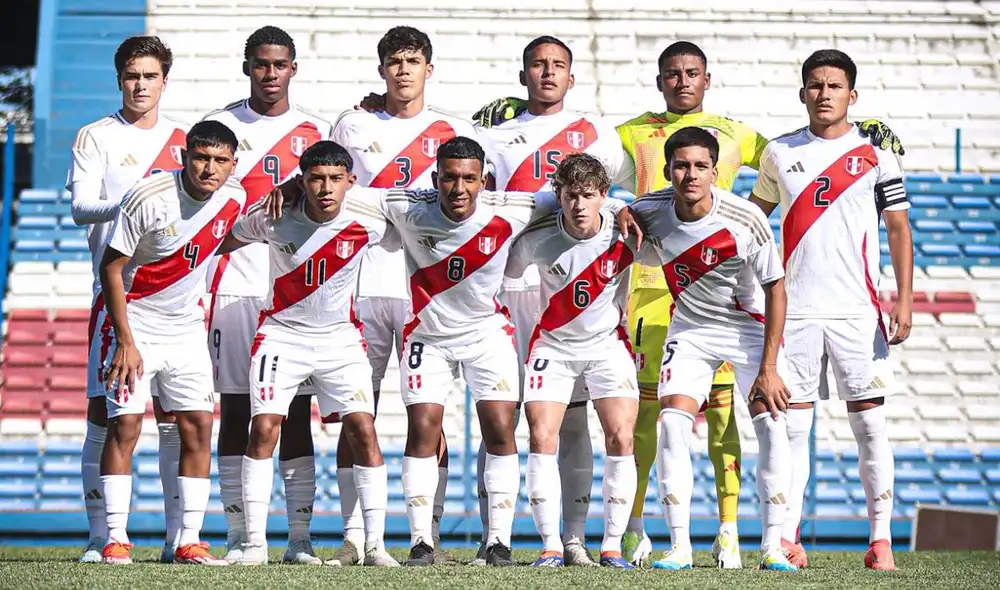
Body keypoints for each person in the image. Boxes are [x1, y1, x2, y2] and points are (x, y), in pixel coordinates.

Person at [472, 40, 905, 568]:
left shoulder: (746, 171)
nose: (691, 173)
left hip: (745, 319)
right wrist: (510, 120)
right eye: (681, 165)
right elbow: (586, 178)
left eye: (692, 73)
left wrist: (867, 135)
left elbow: (798, 164)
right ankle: (652, 536)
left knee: (744, 422)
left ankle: (751, 536)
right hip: (662, 306)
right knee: (655, 421)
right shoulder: (632, 148)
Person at [749, 49, 912, 571]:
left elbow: (898, 228)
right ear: (803, 93)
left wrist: (902, 300)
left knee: (870, 427)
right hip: (793, 313)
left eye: (834, 86)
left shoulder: (876, 154)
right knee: (790, 431)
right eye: (815, 85)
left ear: (852, 96)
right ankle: (788, 539)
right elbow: (754, 222)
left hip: (856, 312)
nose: (824, 94)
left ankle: (880, 541)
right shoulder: (777, 152)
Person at [473, 36, 628, 566]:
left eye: (557, 65)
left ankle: (576, 537)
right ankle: (496, 535)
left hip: (569, 284)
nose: (547, 73)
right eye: (537, 65)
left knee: (574, 416)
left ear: (571, 76)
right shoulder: (494, 135)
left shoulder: (596, 131)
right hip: (512, 282)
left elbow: (620, 193)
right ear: (523, 75)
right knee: (501, 412)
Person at [326, 25, 476, 567]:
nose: (404, 70)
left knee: (425, 417)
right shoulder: (351, 123)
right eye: (394, 61)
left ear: (428, 69)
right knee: (355, 412)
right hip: (359, 283)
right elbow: (328, 187)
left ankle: (424, 533)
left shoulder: (453, 130)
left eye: (413, 61)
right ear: (381, 68)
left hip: (423, 288)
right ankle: (351, 534)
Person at [218, 141, 399, 567]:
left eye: (336, 179)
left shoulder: (371, 219)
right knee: (263, 428)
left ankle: (375, 546)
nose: (325, 188)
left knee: (363, 430)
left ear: (350, 182)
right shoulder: (273, 216)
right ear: (302, 180)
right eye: (316, 178)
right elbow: (220, 239)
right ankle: (255, 546)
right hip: (281, 336)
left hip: (340, 340)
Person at [629, 126, 796, 572]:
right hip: (691, 328)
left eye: (701, 166)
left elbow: (776, 290)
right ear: (667, 171)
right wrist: (617, 214)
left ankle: (772, 547)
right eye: (681, 165)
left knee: (772, 426)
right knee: (670, 423)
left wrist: (769, 367)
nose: (691, 175)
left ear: (715, 171)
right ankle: (680, 546)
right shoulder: (649, 209)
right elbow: (615, 213)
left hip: (749, 329)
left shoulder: (745, 219)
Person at [202, 25, 332, 565]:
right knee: (236, 410)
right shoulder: (220, 128)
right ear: (247, 66)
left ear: (293, 69)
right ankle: (240, 535)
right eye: (261, 64)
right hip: (233, 281)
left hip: (293, 284)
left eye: (280, 64)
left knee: (296, 413)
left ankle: (299, 539)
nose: (270, 73)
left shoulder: (317, 129)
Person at [97, 120, 245, 566]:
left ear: (232, 164)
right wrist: (125, 341)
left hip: (185, 331)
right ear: (184, 157)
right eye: (201, 157)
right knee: (125, 425)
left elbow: (224, 239)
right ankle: (114, 538)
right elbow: (110, 268)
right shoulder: (148, 197)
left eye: (220, 161)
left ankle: (188, 540)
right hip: (135, 325)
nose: (209, 169)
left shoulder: (233, 198)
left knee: (199, 425)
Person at [67, 35, 188, 564]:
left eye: (150, 76)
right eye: (132, 76)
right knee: (108, 416)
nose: (140, 85)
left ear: (165, 80)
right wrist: (137, 199)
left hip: (178, 299)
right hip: (117, 293)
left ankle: (177, 538)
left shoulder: (186, 141)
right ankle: (102, 535)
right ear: (120, 79)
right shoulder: (96, 136)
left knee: (175, 419)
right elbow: (81, 207)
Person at [505, 154, 638, 570]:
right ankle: (551, 546)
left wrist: (622, 208)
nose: (579, 205)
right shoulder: (535, 238)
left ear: (603, 195)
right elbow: (505, 277)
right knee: (542, 438)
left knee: (621, 437)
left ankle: (612, 547)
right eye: (569, 196)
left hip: (606, 346)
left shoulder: (628, 232)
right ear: (557, 196)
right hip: (553, 348)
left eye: (587, 195)